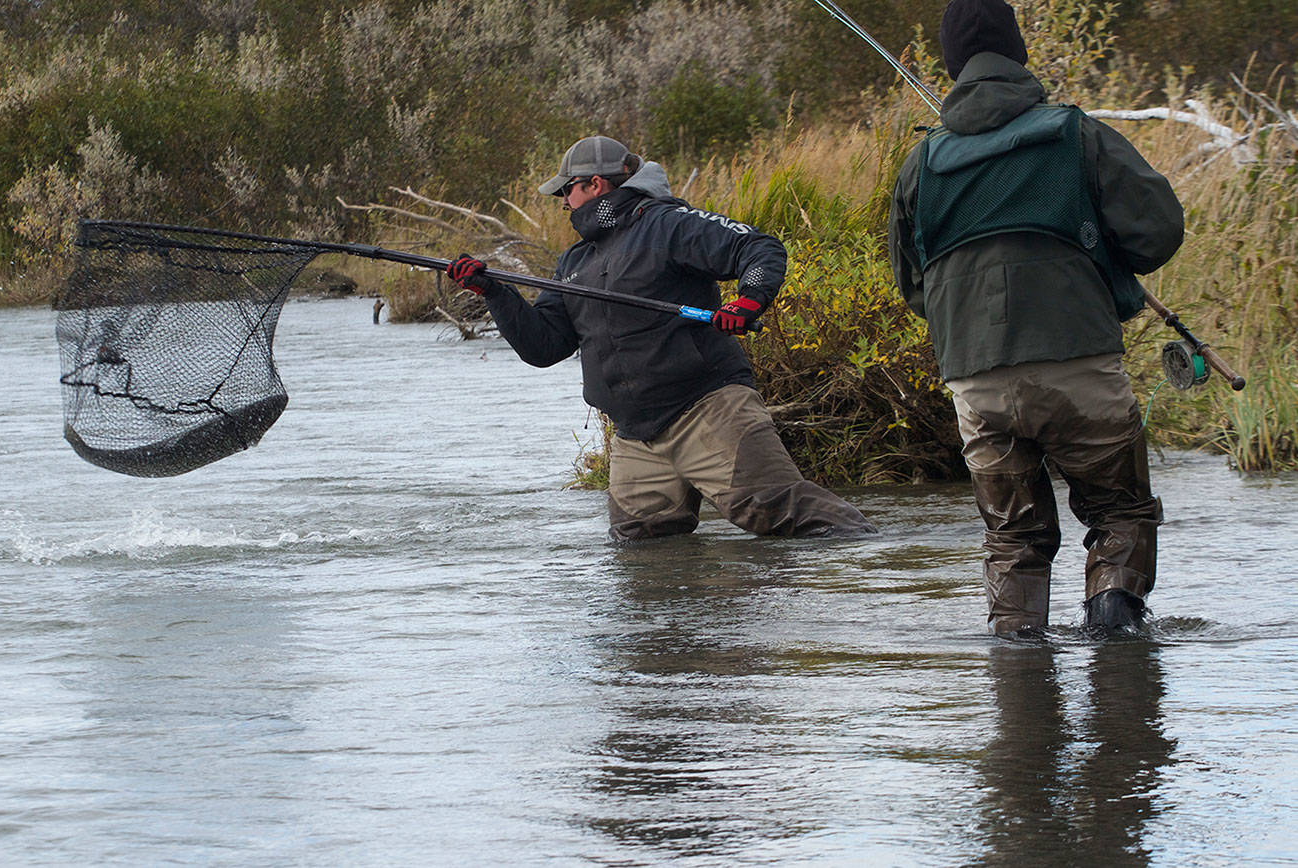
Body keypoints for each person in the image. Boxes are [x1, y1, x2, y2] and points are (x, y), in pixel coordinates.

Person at [887, 0, 1184, 634]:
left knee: (1013, 537)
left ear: (952, 65)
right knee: (1120, 513)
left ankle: (1019, 685)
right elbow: (1158, 233)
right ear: (1018, 52)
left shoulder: (921, 165)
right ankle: (1117, 642)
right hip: (1079, 361)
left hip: (974, 381)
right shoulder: (1078, 134)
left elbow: (915, 287)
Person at [448, 135, 877, 541]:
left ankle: (879, 563)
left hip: (707, 411)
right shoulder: (574, 262)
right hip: (634, 437)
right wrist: (495, 293)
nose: (563, 202)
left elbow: (758, 247)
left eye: (567, 191)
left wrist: (748, 302)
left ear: (595, 184)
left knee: (775, 509)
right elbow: (543, 348)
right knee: (643, 553)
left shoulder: (666, 224)